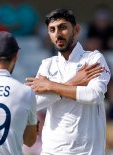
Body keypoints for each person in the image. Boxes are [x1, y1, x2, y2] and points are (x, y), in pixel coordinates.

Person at [26, 9, 111, 155]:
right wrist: (73, 82)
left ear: (76, 29)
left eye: (63, 27)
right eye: (52, 29)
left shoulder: (94, 59)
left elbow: (93, 95)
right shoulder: (47, 64)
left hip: (88, 151)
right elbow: (35, 102)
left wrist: (51, 86)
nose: (57, 34)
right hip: (51, 150)